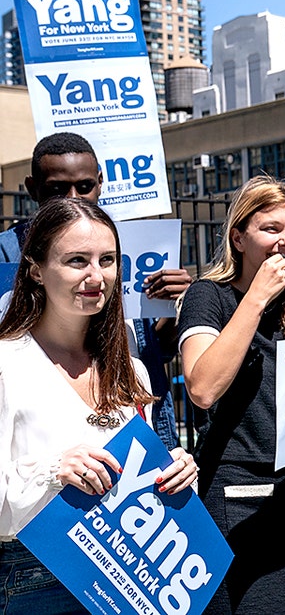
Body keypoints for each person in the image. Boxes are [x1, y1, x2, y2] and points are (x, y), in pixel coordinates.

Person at [0, 198, 197, 614]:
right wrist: (54, 471)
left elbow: (134, 478)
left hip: (131, 576)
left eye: (107, 260)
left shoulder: (132, 371)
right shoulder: (6, 363)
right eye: (76, 260)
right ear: (36, 269)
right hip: (34, 579)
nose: (96, 276)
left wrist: (175, 470)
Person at [177, 176, 285, 614]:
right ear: (239, 238)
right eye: (272, 229)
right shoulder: (210, 296)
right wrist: (256, 298)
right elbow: (202, 388)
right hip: (237, 493)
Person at [0, 132, 190, 449]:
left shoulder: (132, 243)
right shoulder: (7, 253)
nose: (73, 198)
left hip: (126, 408)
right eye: (57, 189)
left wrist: (173, 309)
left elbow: (152, 348)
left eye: (106, 260)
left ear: (100, 183)